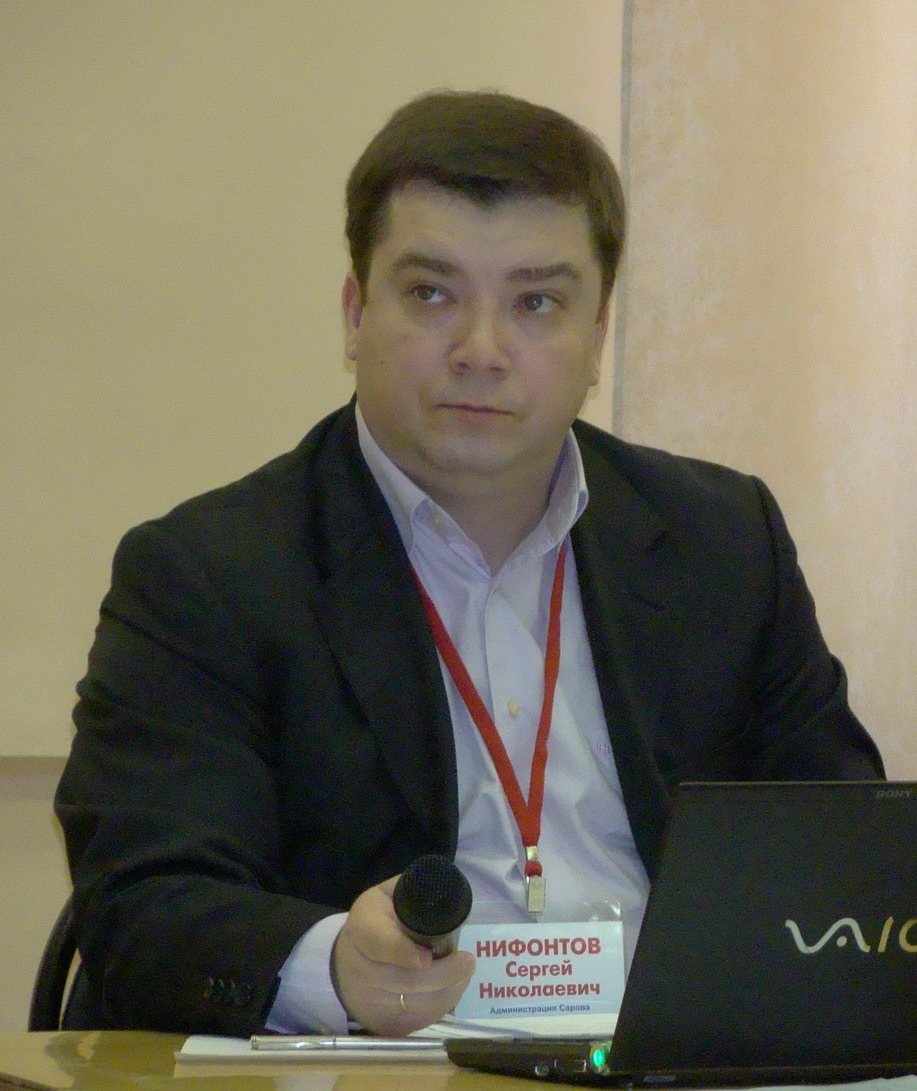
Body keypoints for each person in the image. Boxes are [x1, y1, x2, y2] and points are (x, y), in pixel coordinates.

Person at [55, 90, 884, 1038]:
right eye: (431, 294)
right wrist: (333, 965)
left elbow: (844, 862)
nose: (480, 351)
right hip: (372, 1065)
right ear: (354, 314)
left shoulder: (722, 542)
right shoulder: (208, 574)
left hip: (668, 1058)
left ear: (597, 339)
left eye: (536, 302)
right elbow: (144, 904)